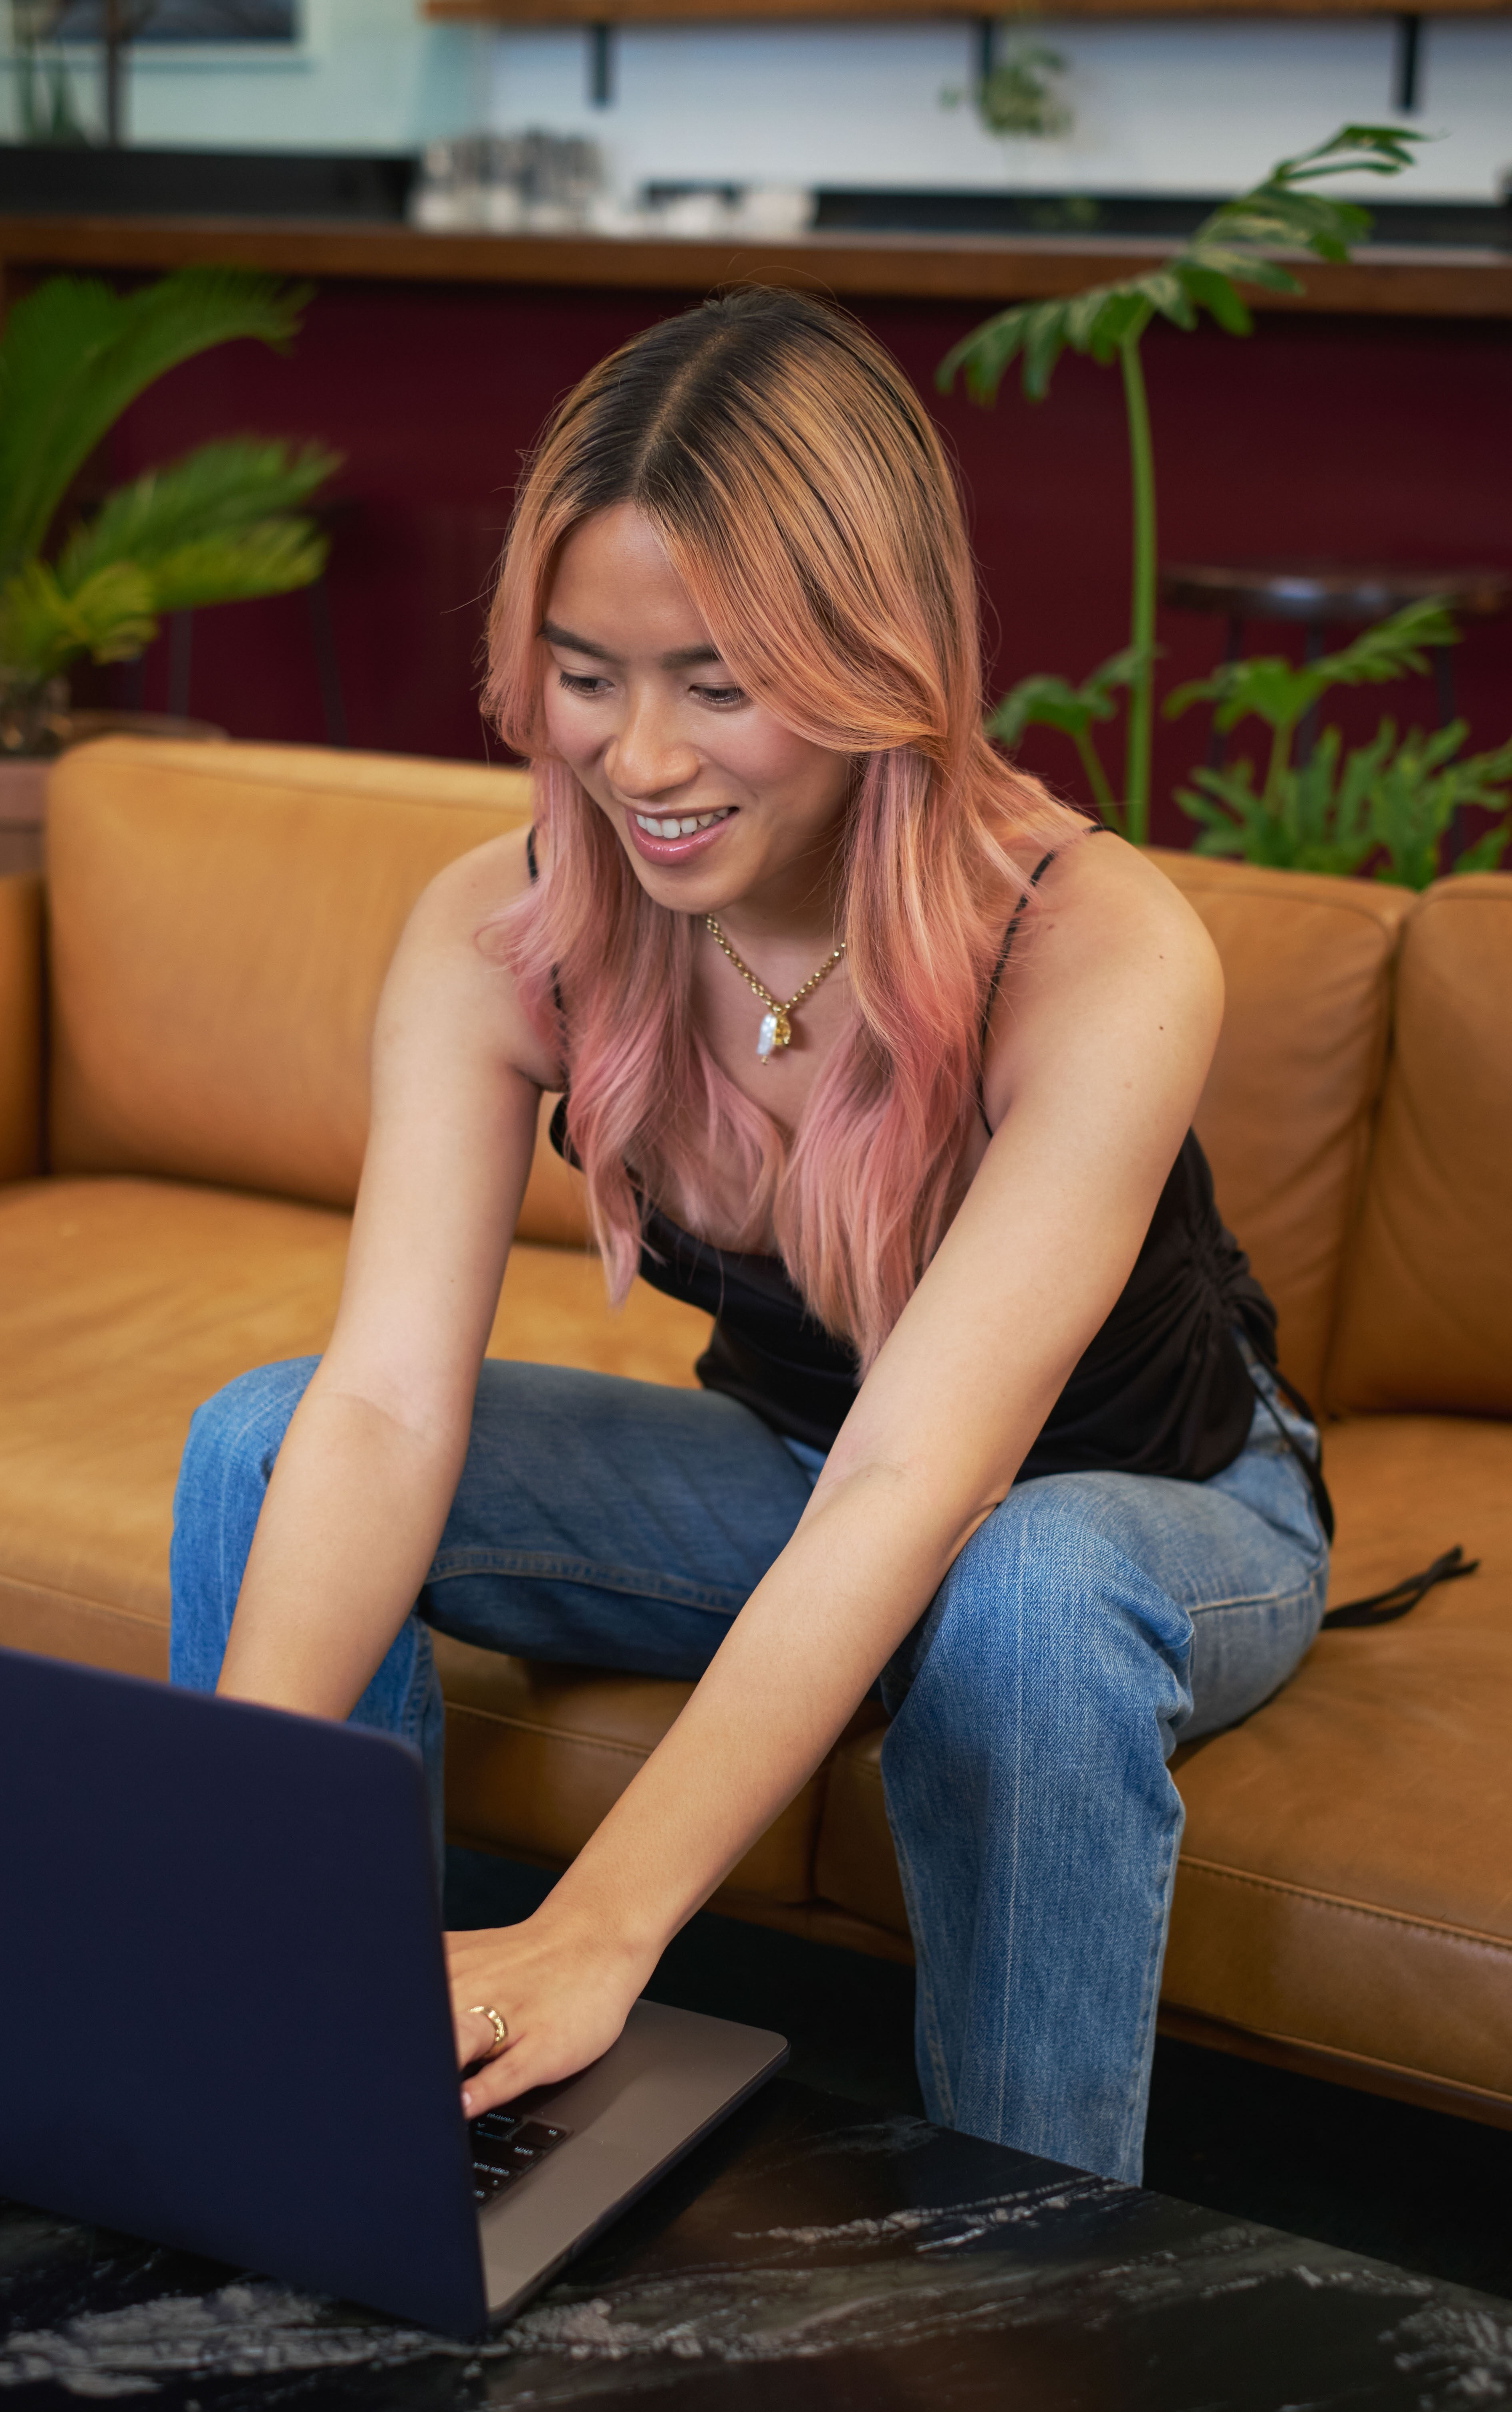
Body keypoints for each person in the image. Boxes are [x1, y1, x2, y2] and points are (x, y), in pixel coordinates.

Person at [170, 287, 1329, 2185]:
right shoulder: (510, 925)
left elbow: (916, 1484)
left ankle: (1014, 2296)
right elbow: (384, 1411)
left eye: (717, 683)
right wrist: (213, 1838)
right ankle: (286, 2091)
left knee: (1026, 1591)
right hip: (802, 1476)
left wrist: (594, 1930)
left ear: (884, 662)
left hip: (1151, 1502)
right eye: (586, 674)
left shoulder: (1092, 950)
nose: (638, 760)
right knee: (268, 1435)